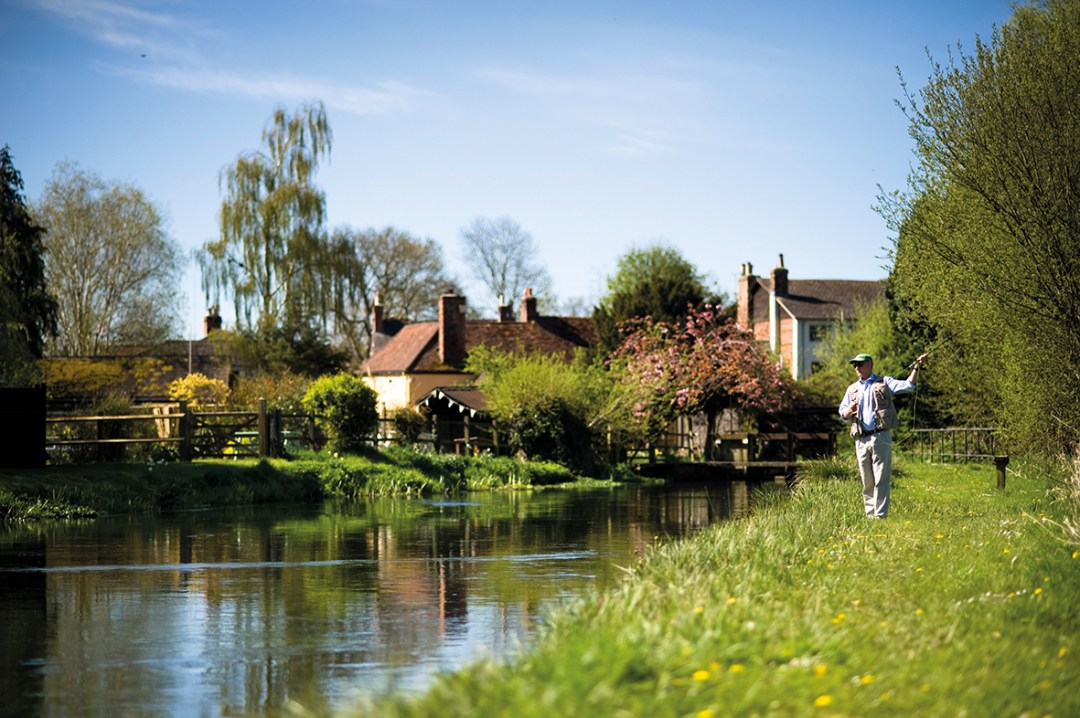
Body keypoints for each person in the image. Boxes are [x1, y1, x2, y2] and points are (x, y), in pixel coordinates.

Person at [838, 352, 927, 518]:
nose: (857, 367)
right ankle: (869, 515)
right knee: (867, 480)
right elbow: (842, 413)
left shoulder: (884, 382)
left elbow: (908, 385)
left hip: (880, 436)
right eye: (855, 365)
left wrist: (916, 366)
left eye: (860, 364)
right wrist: (848, 412)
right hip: (861, 439)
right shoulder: (852, 389)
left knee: (881, 477)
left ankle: (880, 516)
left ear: (870, 365)